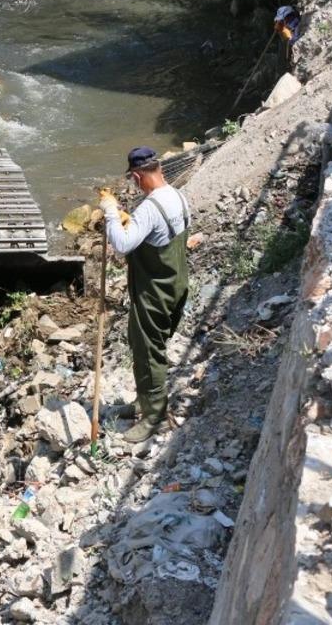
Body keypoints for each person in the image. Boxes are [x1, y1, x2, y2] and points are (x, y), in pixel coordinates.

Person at [98, 147, 191, 443]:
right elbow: (156, 234)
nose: (135, 185)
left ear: (138, 176)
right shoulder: (177, 196)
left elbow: (123, 245)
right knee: (146, 344)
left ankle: (154, 418)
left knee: (149, 351)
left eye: (134, 180)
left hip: (153, 291)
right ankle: (143, 401)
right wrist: (130, 221)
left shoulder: (149, 208)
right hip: (175, 284)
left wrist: (111, 212)